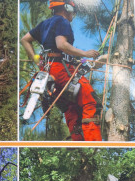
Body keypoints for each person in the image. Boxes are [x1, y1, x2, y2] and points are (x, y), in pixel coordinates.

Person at [21, 0, 102, 141]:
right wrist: (85, 54)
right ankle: (93, 143)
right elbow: (61, 44)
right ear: (67, 8)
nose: (73, 15)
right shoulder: (63, 22)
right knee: (90, 100)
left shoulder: (45, 23)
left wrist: (36, 60)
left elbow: (25, 40)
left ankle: (78, 144)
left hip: (47, 70)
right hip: (60, 69)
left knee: (70, 107)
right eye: (72, 11)